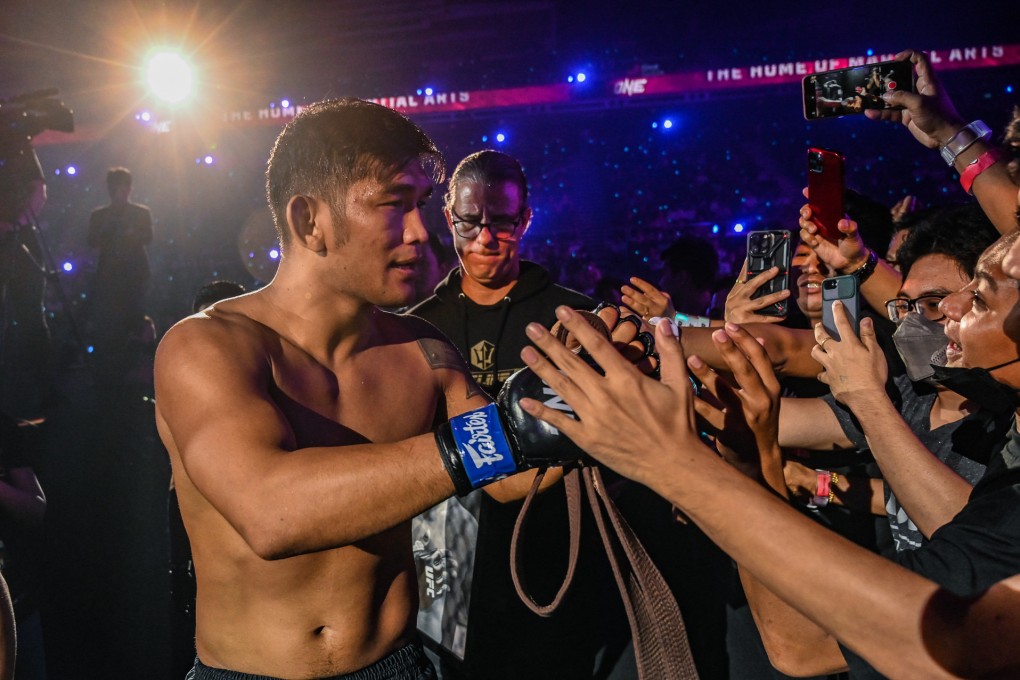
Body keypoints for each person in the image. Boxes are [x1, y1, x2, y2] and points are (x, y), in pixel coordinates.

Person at [154, 99, 577, 679]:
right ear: (310, 221)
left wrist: (588, 407)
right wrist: (500, 436)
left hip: (396, 665)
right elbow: (271, 513)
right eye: (392, 205)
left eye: (421, 207)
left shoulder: (424, 349)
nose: (419, 233)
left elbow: (507, 476)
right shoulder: (208, 347)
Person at [518, 229, 1020, 679]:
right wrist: (656, 363)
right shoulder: (910, 397)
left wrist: (669, 461)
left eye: (973, 298)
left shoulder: (994, 437)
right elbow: (797, 647)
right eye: (904, 305)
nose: (952, 309)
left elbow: (961, 545)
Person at [406, 150, 621, 679]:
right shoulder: (414, 327)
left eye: (501, 221)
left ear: (525, 218)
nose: (484, 237)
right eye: (469, 221)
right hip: (448, 561)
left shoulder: (574, 316)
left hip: (554, 556)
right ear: (448, 217)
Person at [0, 135, 51, 419]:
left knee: (31, 313)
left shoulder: (17, 142)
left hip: (17, 240)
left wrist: (13, 225)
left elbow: (38, 192)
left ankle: (41, 389)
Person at [87, 166, 153, 379]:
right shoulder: (99, 215)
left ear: (129, 188)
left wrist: (128, 230)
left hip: (135, 276)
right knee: (111, 324)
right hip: (109, 279)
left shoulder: (141, 213)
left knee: (135, 320)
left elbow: (148, 238)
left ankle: (137, 367)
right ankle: (113, 371)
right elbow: (91, 241)